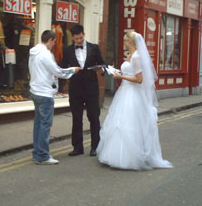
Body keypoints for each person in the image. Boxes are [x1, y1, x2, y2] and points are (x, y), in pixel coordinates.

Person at [96, 31, 173, 170]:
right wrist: (117, 71)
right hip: (124, 92)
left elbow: (139, 79)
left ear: (130, 42)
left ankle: (130, 157)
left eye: (125, 41)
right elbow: (129, 72)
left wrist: (121, 77)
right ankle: (116, 155)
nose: (124, 43)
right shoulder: (130, 55)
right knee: (119, 123)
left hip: (132, 94)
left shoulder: (137, 57)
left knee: (129, 124)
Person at [29, 30, 81, 165]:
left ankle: (37, 153)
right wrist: (73, 70)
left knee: (39, 124)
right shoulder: (45, 54)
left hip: (35, 91)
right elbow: (58, 71)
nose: (54, 45)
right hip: (44, 93)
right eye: (54, 42)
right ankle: (42, 156)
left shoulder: (33, 53)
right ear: (51, 40)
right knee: (45, 125)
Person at [61, 25, 105, 157]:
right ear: (72, 38)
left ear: (84, 34)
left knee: (93, 117)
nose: (79, 41)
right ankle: (77, 147)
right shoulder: (67, 50)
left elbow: (102, 64)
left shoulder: (94, 47)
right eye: (76, 39)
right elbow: (63, 68)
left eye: (80, 38)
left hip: (91, 88)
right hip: (75, 88)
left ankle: (95, 147)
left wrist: (101, 70)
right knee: (76, 118)